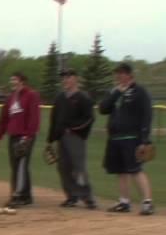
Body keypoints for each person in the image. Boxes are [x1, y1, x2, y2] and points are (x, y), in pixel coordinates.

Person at [99, 63, 154, 215]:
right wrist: (116, 93)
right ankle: (124, 202)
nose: (119, 76)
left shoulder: (140, 92)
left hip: (132, 138)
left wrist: (144, 139)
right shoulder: (114, 91)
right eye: (117, 74)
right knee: (120, 170)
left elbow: (147, 116)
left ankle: (147, 202)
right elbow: (103, 109)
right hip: (115, 137)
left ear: (130, 75)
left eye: (122, 73)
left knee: (135, 170)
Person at [46, 69, 97, 209]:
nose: (65, 80)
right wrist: (50, 138)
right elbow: (54, 119)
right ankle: (72, 196)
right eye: (63, 78)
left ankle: (88, 198)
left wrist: (74, 129)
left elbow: (90, 118)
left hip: (76, 138)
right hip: (61, 137)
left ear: (76, 79)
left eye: (68, 77)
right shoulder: (59, 98)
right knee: (63, 168)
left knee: (79, 168)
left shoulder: (83, 97)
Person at [0, 72, 41, 207]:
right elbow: (3, 119)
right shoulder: (11, 97)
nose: (12, 82)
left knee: (21, 165)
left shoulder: (31, 95)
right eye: (11, 79)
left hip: (25, 136)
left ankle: (17, 196)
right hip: (13, 136)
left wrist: (28, 136)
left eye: (14, 79)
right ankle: (26, 196)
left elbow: (34, 117)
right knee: (16, 166)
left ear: (22, 81)